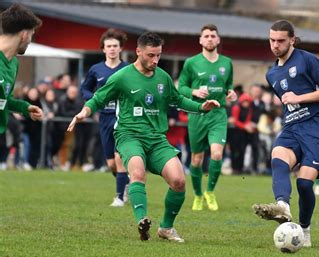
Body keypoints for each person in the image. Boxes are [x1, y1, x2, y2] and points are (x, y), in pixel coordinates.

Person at [67, 32, 220, 242]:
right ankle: (142, 220)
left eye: (158, 55)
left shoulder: (163, 77)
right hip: (129, 135)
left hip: (157, 139)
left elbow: (178, 100)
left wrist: (202, 107)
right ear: (138, 52)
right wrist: (84, 113)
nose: (155, 60)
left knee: (178, 181)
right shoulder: (122, 76)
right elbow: (99, 98)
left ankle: (166, 228)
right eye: (151, 55)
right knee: (138, 173)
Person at [252, 20, 319, 248]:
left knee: (303, 184)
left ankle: (305, 228)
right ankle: (283, 206)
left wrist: (299, 98)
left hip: (317, 125)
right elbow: (286, 102)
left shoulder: (307, 59)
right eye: (272, 40)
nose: (275, 45)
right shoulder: (271, 74)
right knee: (278, 159)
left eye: (281, 40)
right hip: (291, 126)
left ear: (292, 39)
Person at [178, 24, 237, 211]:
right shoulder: (191, 63)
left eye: (213, 36)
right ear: (200, 40)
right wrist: (195, 91)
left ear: (218, 40)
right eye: (206, 36)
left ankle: (210, 192)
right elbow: (181, 89)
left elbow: (229, 86)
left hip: (218, 115)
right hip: (197, 114)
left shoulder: (227, 63)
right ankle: (197, 195)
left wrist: (231, 93)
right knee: (196, 159)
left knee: (217, 154)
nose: (210, 38)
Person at [80, 28, 130, 207]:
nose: (112, 49)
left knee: (119, 157)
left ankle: (119, 197)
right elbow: (85, 89)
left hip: (123, 118)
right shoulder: (96, 70)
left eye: (115, 46)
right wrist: (92, 99)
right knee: (111, 164)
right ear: (103, 49)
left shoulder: (127, 69)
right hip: (105, 118)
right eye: (109, 46)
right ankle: (126, 183)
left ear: (121, 48)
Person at [0, 3, 43, 135]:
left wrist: (25, 107)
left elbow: (4, 100)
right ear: (24, 34)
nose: (30, 41)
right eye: (32, 34)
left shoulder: (14, 63)